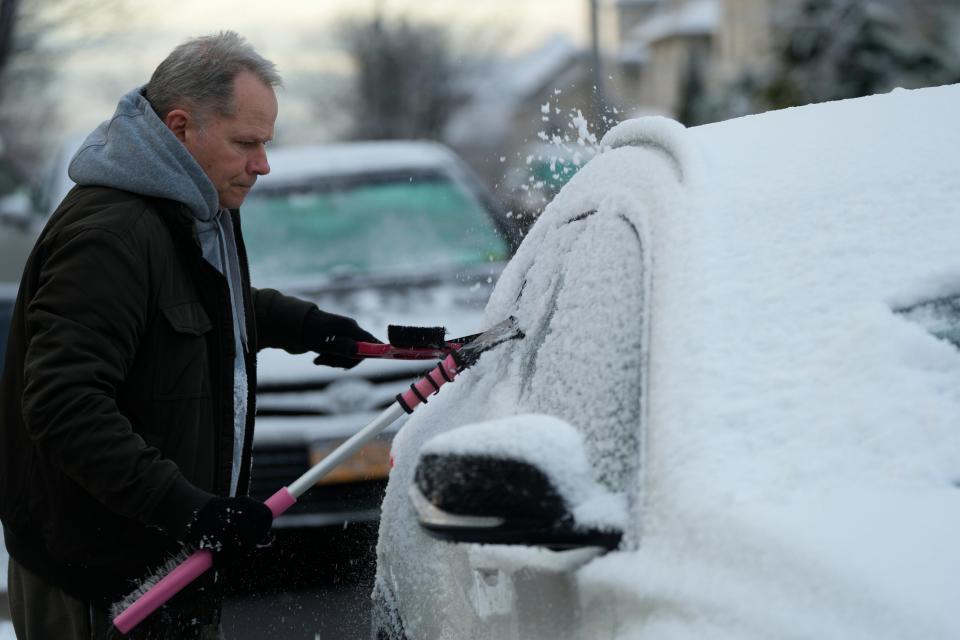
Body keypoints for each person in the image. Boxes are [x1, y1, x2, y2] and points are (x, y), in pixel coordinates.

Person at [0, 31, 379, 639]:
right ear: (180, 128)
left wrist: (300, 324)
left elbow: (186, 305)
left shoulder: (192, 205)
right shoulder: (112, 233)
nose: (263, 164)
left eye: (265, 143)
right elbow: (63, 405)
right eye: (246, 143)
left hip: (166, 564)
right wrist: (191, 509)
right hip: (101, 582)